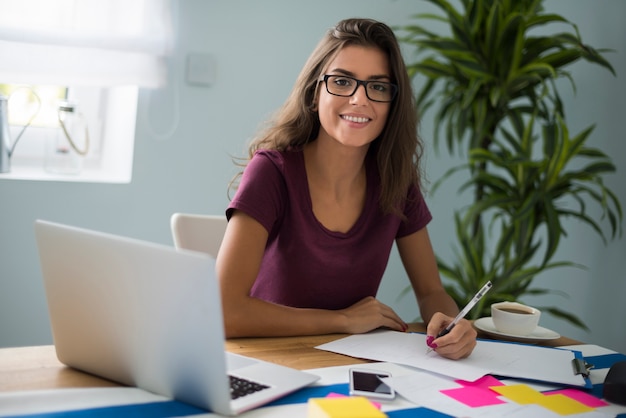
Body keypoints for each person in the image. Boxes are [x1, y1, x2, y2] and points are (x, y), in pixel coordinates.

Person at [215, 18, 477, 359]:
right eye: (341, 81)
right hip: (268, 361)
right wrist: (342, 320)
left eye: (378, 87)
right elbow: (224, 311)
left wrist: (452, 323)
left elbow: (430, 292)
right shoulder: (272, 172)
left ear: (392, 106)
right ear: (314, 94)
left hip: (348, 364)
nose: (359, 99)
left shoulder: (396, 180)